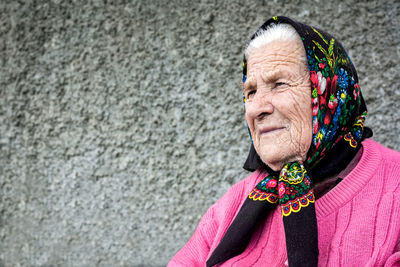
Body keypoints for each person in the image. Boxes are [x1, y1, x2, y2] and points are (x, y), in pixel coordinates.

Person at [168, 16, 400, 266]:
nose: (257, 109)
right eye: (251, 91)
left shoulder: (393, 190)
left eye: (279, 84)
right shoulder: (234, 204)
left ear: (329, 91)